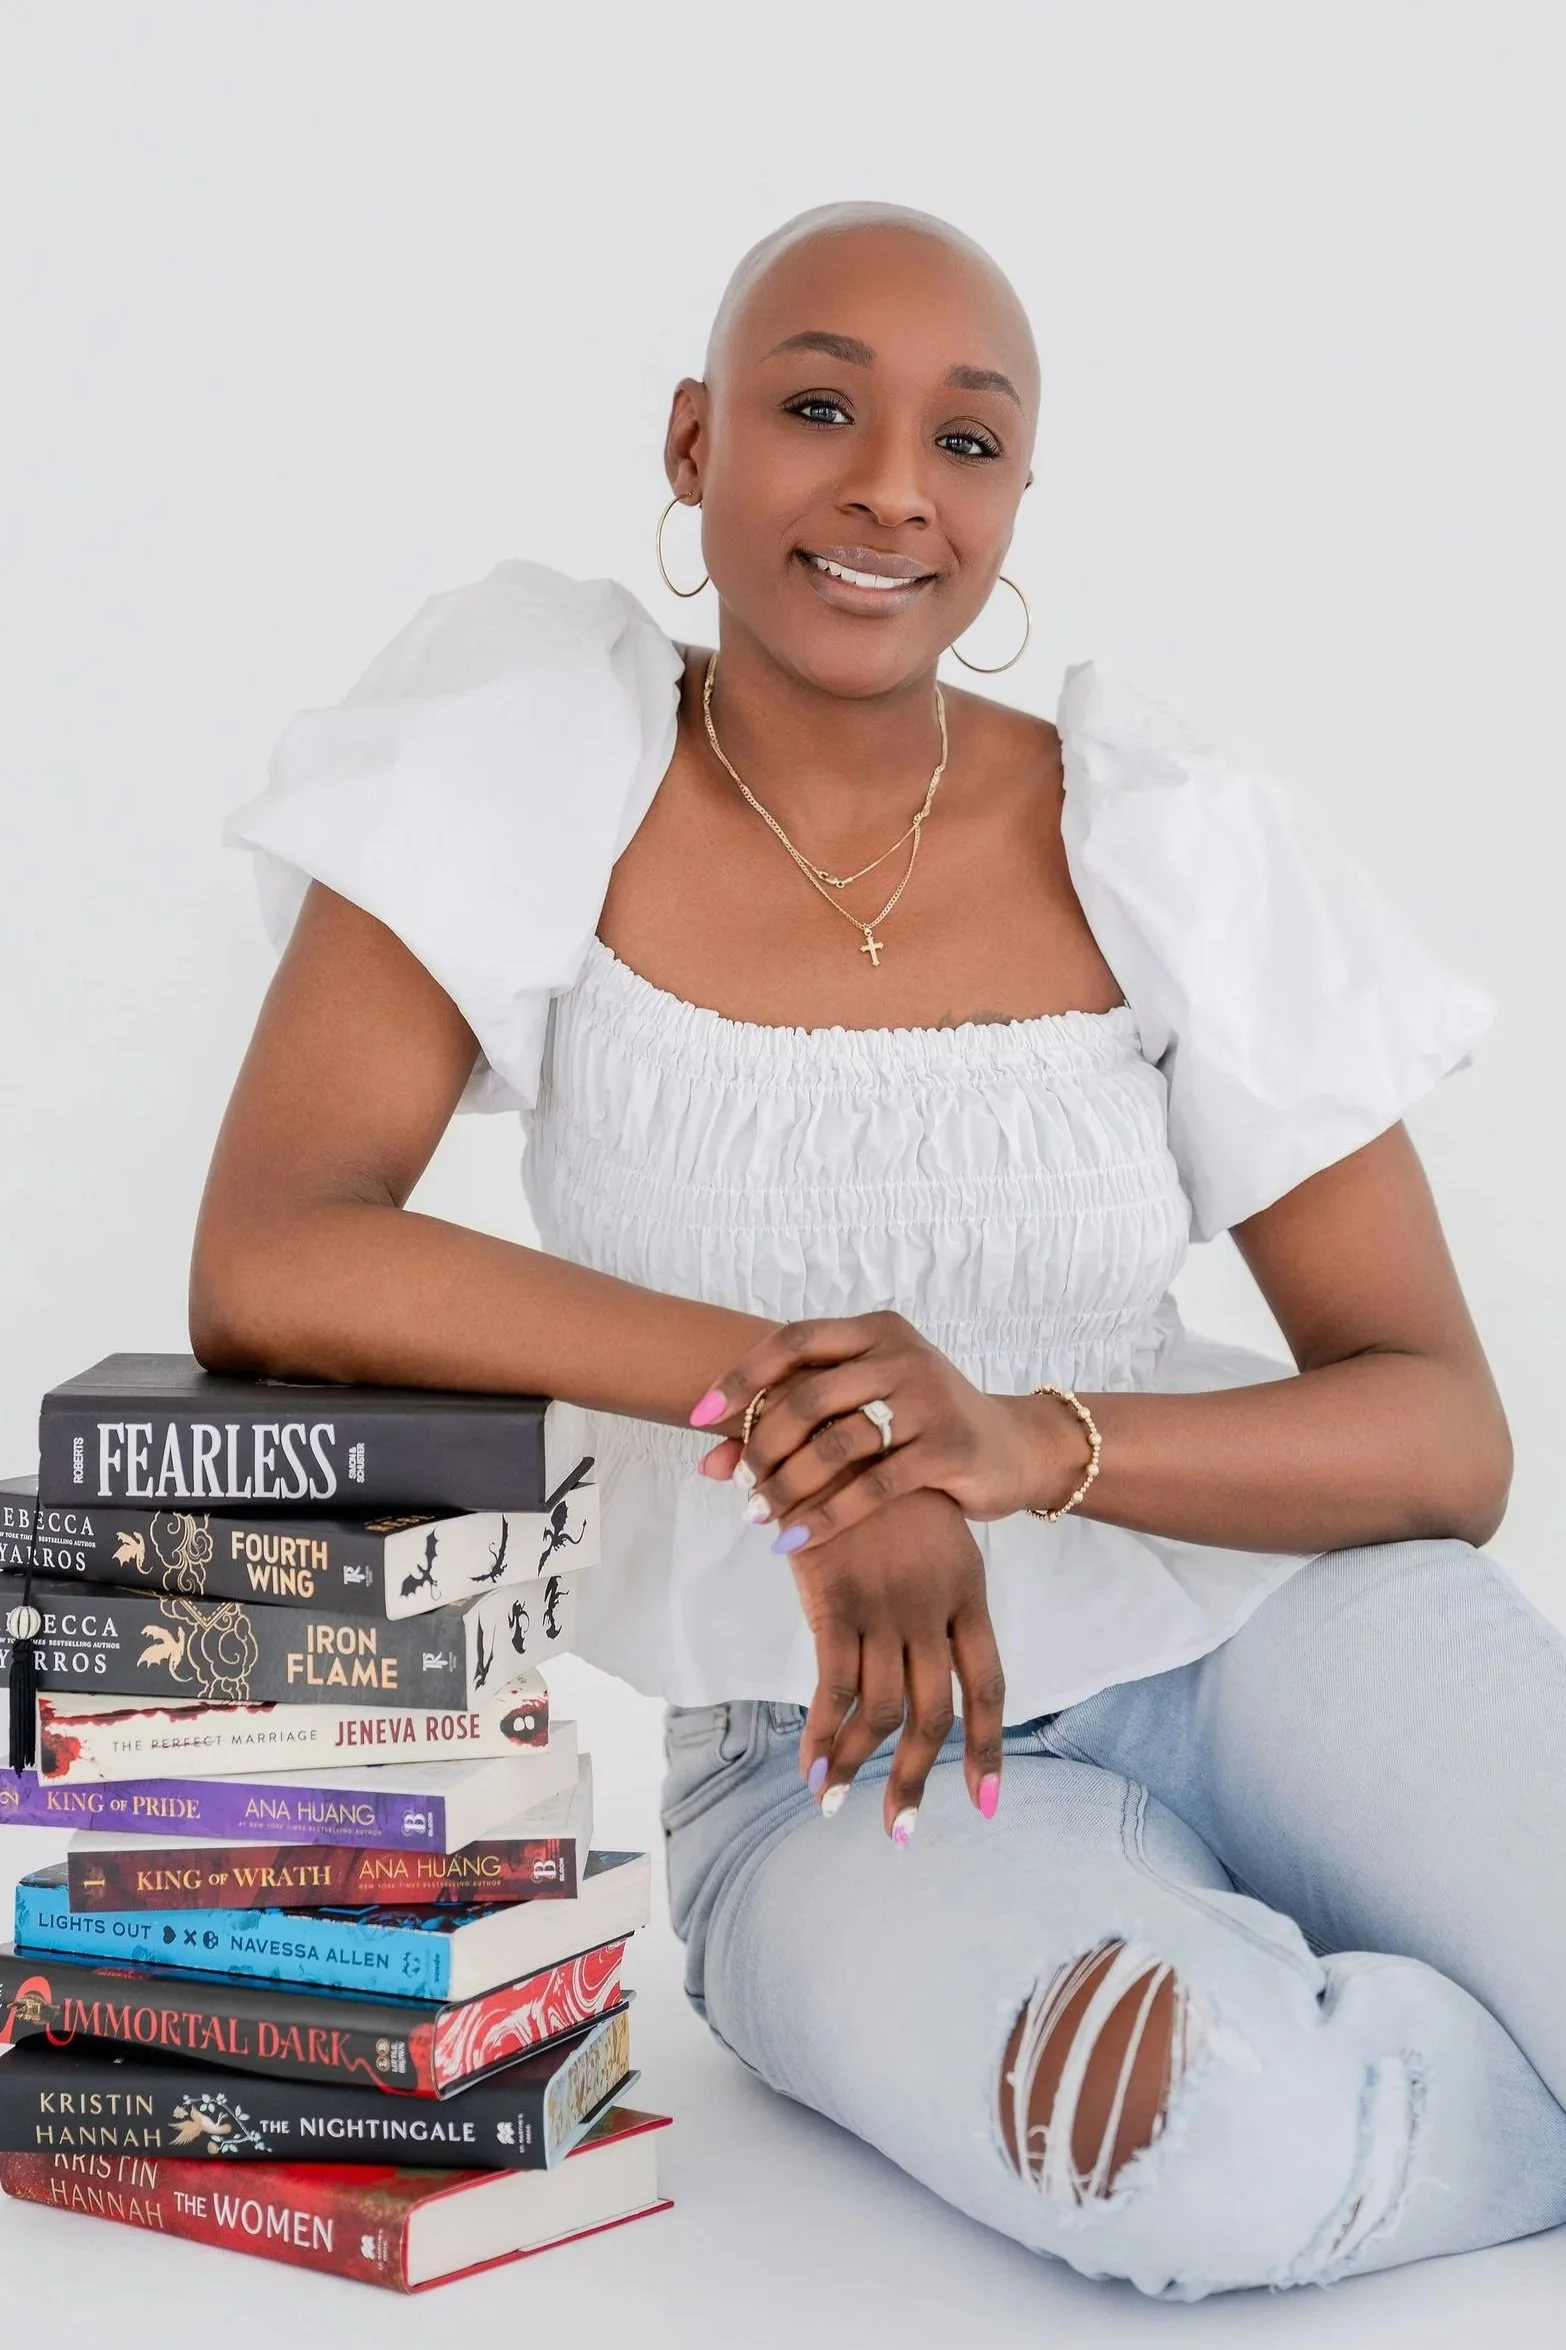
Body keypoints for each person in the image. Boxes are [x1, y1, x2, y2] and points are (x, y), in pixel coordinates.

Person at [196, 202, 1566, 2299]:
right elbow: (278, 1255)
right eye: (817, 403)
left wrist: (1022, 1439)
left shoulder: (1159, 830)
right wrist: (825, 1421)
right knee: (1203, 2144)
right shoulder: (538, 748)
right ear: (690, 441)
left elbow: (1441, 1431)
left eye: (969, 440)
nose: (889, 488)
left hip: (1274, 1628)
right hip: (819, 1750)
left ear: (1018, 497)